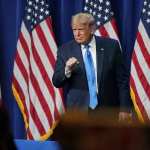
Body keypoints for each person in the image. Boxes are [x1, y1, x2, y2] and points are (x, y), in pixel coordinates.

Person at [52, 12, 132, 121]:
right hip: (78, 112)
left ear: (91, 29)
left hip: (107, 111)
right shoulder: (65, 50)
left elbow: (122, 80)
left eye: (80, 29)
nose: (77, 34)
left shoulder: (111, 46)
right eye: (74, 30)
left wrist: (125, 108)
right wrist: (67, 70)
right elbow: (56, 81)